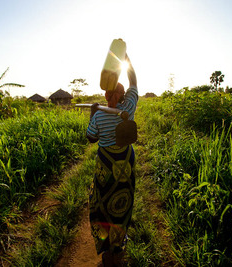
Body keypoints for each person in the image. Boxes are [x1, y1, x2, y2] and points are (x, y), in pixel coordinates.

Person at [86, 54, 138, 267]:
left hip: (106, 165)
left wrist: (92, 112)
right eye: (110, 93)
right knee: (121, 203)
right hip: (123, 163)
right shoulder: (128, 108)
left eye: (112, 93)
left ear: (119, 95)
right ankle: (115, 247)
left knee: (104, 203)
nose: (110, 97)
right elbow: (134, 81)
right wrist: (127, 62)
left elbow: (91, 138)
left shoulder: (99, 115)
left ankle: (110, 247)